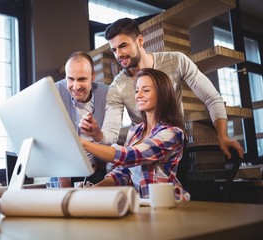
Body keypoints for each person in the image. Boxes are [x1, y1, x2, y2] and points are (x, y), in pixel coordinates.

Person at [79, 17, 244, 160]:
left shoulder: (176, 61)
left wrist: (223, 136)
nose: (118, 54)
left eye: (123, 46)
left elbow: (212, 98)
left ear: (140, 41)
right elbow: (111, 134)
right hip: (140, 152)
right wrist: (97, 134)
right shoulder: (117, 86)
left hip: (173, 147)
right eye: (114, 49)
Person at [80, 68, 190, 200]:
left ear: (162, 94)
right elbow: (123, 172)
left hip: (169, 203)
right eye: (137, 90)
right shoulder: (134, 132)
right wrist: (93, 190)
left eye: (146, 90)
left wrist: (82, 143)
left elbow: (130, 156)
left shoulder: (172, 133)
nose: (138, 95)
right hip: (143, 204)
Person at [52, 51, 109, 187]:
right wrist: (64, 182)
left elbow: (109, 138)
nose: (76, 86)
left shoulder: (107, 94)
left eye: (82, 79)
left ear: (93, 76)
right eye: (70, 79)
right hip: (63, 170)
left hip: (97, 169)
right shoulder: (55, 92)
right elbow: (53, 138)